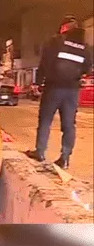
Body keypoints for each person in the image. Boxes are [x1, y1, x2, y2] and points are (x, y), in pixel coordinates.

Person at [25, 15, 93, 169]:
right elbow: (87, 68)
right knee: (69, 125)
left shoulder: (56, 41)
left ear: (64, 27)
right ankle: (65, 158)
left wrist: (38, 83)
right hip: (72, 90)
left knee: (45, 121)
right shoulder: (85, 47)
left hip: (54, 87)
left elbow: (45, 63)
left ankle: (40, 152)